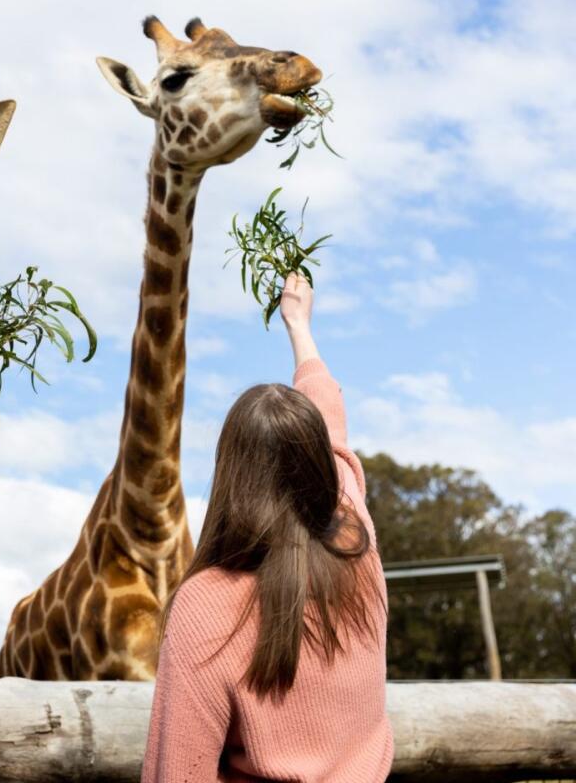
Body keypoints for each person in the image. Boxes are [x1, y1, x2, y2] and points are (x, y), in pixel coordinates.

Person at [142, 273, 393, 782]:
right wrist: (300, 326)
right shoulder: (356, 543)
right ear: (318, 467)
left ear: (231, 474)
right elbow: (333, 423)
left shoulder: (206, 607)